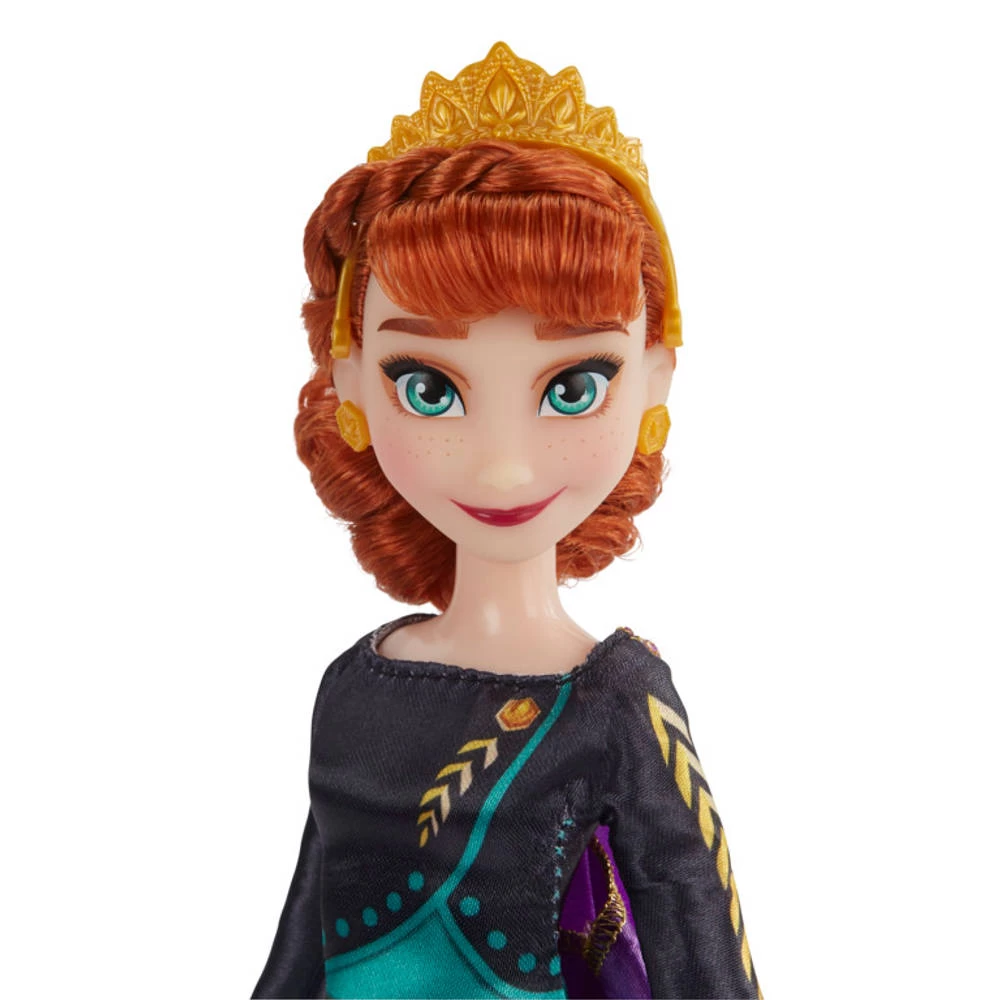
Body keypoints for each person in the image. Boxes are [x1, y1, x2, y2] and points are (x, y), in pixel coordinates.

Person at [253, 42, 760, 1000]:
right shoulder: (351, 687)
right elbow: (301, 948)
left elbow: (704, 954)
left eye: (573, 387)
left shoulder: (615, 701)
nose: (503, 463)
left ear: (653, 380)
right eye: (428, 387)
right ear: (350, 383)